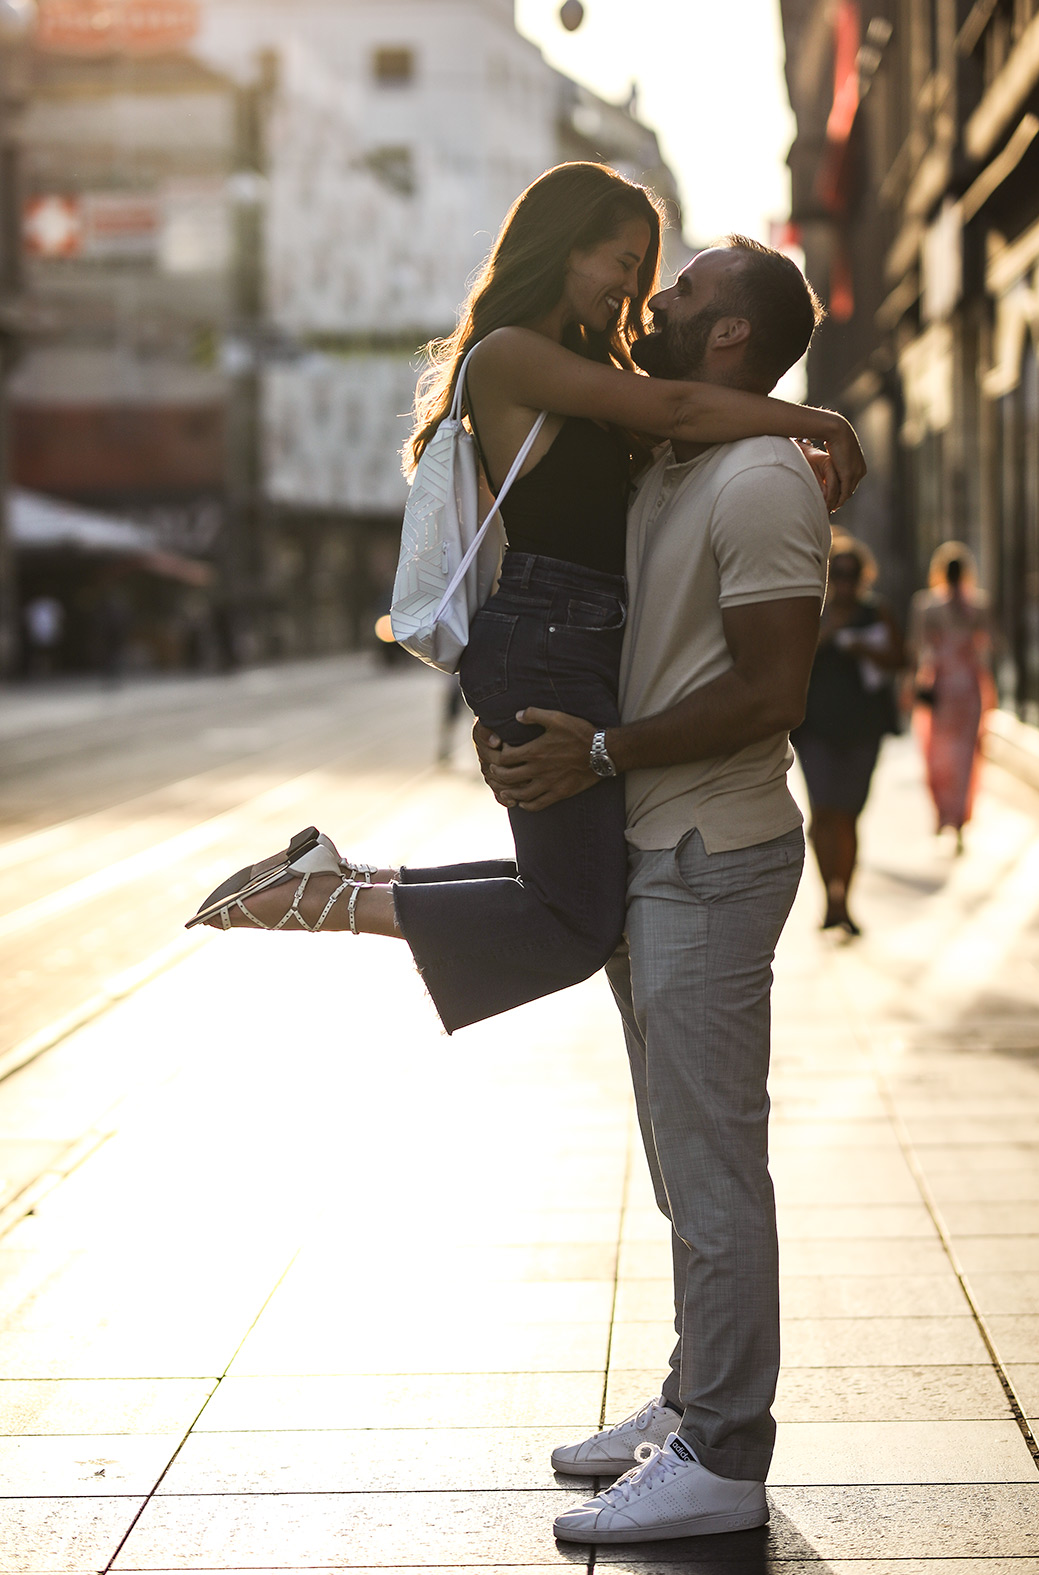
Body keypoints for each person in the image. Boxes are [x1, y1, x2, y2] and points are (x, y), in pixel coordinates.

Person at [186, 162, 864, 1041]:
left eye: (645, 269)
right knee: (575, 922)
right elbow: (688, 410)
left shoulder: (584, 364)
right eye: (621, 262)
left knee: (574, 898)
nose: (635, 290)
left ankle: (336, 878)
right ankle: (334, 896)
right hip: (546, 634)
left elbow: (683, 437)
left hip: (567, 640)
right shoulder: (510, 355)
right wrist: (821, 422)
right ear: (562, 245)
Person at [474, 239, 834, 1542]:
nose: (658, 300)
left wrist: (606, 750)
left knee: (717, 1163)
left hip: (713, 852)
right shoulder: (677, 457)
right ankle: (694, 1399)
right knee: (686, 1163)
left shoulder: (759, 480)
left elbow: (770, 691)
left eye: (683, 289)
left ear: (731, 335)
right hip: (651, 845)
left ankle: (727, 1454)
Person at [791, 529, 905, 934]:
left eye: (850, 574)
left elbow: (900, 658)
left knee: (848, 816)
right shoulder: (812, 613)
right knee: (823, 812)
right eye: (836, 573)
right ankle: (831, 900)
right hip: (816, 729)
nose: (843, 581)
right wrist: (828, 634)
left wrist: (864, 647)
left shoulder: (877, 612)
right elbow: (787, 661)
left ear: (863, 576)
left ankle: (846, 898)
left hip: (862, 728)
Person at [909, 541, 995, 853]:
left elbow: (919, 649)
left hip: (943, 686)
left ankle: (945, 812)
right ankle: (958, 814)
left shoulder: (927, 606)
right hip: (969, 688)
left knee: (940, 752)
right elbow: (988, 647)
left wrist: (913, 685)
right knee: (965, 754)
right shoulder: (978, 606)